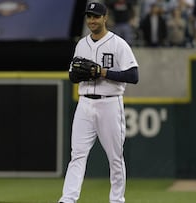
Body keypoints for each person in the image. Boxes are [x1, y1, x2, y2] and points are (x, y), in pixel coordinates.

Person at [58, 2, 139, 203]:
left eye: (96, 16)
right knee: (77, 155)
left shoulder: (118, 44)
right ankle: (68, 199)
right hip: (84, 103)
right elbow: (72, 76)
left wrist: (102, 72)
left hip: (110, 103)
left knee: (115, 157)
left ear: (105, 18)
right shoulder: (82, 44)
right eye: (89, 17)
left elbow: (133, 75)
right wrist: (80, 74)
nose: (92, 20)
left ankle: (117, 200)